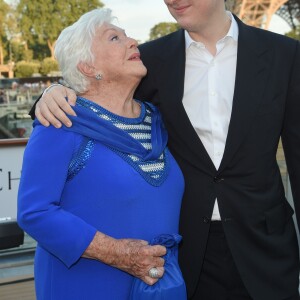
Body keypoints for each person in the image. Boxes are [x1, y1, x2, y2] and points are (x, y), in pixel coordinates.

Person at [31, 0, 300, 299]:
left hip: (266, 249)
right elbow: (96, 92)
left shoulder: (285, 55)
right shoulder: (150, 59)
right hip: (184, 257)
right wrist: (49, 93)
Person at [18, 8, 185, 300]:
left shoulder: (157, 119)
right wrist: (118, 252)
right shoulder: (61, 122)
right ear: (86, 65)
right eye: (114, 38)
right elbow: (35, 212)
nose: (133, 41)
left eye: (127, 36)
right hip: (87, 285)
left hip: (163, 286)